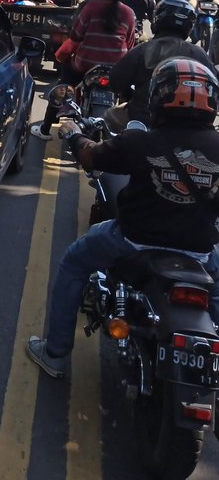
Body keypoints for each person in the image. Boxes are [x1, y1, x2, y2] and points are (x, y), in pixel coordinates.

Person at [27, 57, 219, 378]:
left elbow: (91, 156)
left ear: (159, 98)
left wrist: (74, 134)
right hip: (201, 252)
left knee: (75, 261)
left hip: (132, 242)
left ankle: (55, 352)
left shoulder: (141, 142)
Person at [31, 0, 136, 140]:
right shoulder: (129, 14)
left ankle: (45, 129)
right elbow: (130, 43)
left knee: (62, 89)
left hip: (84, 64)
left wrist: (61, 56)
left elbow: (76, 36)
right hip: (116, 68)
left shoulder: (91, 7)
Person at [106, 0, 216, 131]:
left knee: (109, 117)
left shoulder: (144, 49)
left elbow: (116, 81)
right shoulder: (199, 53)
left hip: (143, 118)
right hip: (191, 123)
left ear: (158, 20)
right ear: (189, 26)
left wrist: (131, 96)